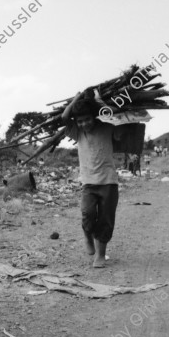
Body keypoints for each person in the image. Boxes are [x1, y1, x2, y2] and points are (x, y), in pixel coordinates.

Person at [62, 91, 125, 268]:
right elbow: (65, 117)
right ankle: (87, 236)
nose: (84, 124)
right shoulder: (77, 132)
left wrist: (99, 102)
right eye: (80, 121)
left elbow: (115, 118)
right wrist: (76, 99)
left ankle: (100, 255)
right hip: (88, 183)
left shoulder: (106, 126)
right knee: (87, 215)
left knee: (105, 220)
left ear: (95, 117)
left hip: (108, 182)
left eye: (87, 119)